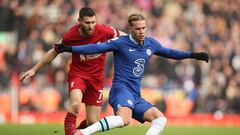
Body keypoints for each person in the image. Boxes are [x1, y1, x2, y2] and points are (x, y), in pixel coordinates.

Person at [55, 13, 209, 135]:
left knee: (160, 119)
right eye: (138, 28)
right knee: (125, 119)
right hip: (120, 90)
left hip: (136, 94)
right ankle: (83, 133)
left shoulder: (151, 44)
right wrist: (70, 49)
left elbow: (170, 52)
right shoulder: (120, 42)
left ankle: (84, 130)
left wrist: (193, 55)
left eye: (143, 28)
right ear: (130, 29)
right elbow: (95, 48)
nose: (141, 31)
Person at [20, 7, 126, 135]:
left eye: (93, 22)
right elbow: (54, 52)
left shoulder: (103, 30)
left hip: (97, 79)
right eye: (87, 23)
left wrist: (140, 43)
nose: (91, 26)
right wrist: (34, 69)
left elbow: (125, 37)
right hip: (78, 74)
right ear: (79, 21)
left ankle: (78, 133)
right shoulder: (70, 35)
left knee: (93, 122)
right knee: (75, 105)